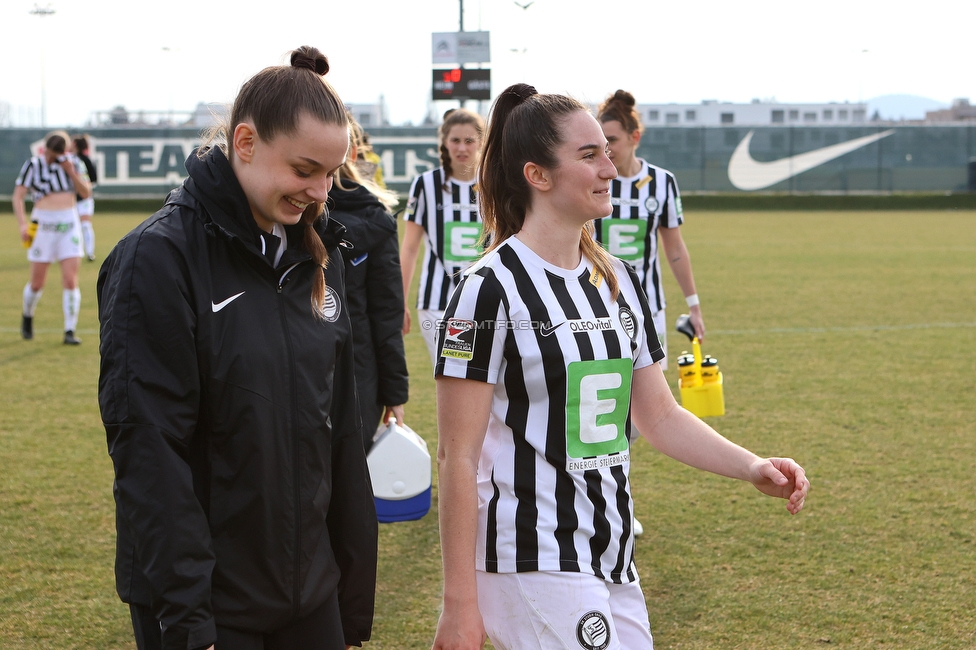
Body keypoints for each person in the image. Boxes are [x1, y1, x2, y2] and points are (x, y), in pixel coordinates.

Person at [430, 84, 809, 650]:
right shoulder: (488, 289)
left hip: (611, 550)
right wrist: (459, 604)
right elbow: (456, 455)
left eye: (606, 152)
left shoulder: (617, 280)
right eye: (589, 156)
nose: (610, 167)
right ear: (538, 175)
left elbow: (658, 415)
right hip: (528, 553)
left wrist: (751, 467)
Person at [97, 46, 377, 650]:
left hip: (311, 597)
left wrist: (349, 593)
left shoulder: (318, 256)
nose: (320, 191)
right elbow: (150, 452)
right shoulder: (157, 259)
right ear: (245, 143)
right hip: (209, 607)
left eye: (330, 173)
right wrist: (189, 618)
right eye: (305, 170)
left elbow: (341, 438)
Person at [595, 89, 705, 363]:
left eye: (612, 141)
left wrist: (694, 306)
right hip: (597, 305)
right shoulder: (593, 180)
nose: (606, 150)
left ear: (635, 138)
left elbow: (675, 248)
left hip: (649, 306)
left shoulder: (662, 182)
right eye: (600, 142)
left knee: (652, 398)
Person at [329, 112, 408, 451]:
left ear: (351, 152)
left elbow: (386, 313)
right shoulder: (273, 217)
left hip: (356, 381)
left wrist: (393, 393)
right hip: (348, 383)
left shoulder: (376, 220)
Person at [400, 108, 485, 365]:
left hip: (486, 301)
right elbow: (410, 248)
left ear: (481, 142)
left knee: (487, 384)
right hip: (437, 302)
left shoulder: (494, 183)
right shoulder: (426, 185)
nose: (462, 147)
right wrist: (400, 302)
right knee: (453, 374)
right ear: (444, 143)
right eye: (455, 140)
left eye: (469, 140)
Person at [13, 130, 91, 345]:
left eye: (55, 155)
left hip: (68, 223)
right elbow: (18, 196)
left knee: (70, 279)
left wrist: (70, 172)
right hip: (42, 224)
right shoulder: (33, 165)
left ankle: (69, 330)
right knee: (37, 283)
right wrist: (22, 224)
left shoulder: (74, 163)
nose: (50, 158)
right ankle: (28, 314)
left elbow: (86, 193)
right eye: (48, 153)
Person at [72, 134, 98, 261]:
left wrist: (83, 186)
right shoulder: (69, 160)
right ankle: (75, 251)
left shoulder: (85, 160)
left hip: (84, 199)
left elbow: (93, 179)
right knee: (73, 225)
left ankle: (90, 252)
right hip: (71, 199)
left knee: (85, 225)